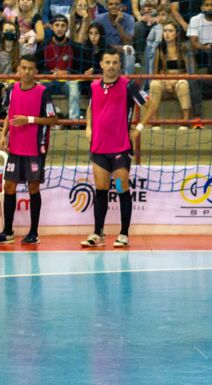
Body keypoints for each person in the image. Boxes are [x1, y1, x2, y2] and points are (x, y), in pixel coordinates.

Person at [81, 49, 153, 249]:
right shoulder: (94, 86)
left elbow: (151, 106)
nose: (111, 66)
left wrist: (138, 129)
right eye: (107, 62)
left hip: (120, 148)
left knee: (122, 188)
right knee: (101, 190)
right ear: (101, 64)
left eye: (115, 62)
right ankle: (98, 233)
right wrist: (88, 126)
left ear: (119, 65)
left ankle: (123, 234)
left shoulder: (129, 86)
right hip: (99, 148)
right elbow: (90, 107)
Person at [0, 55, 57, 245]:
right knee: (8, 186)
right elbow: (9, 113)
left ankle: (34, 233)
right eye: (24, 68)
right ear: (18, 69)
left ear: (35, 71)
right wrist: (3, 134)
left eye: (31, 68)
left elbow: (53, 120)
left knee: (33, 187)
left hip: (35, 149)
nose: (27, 72)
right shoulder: (12, 90)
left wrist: (28, 119)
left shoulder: (43, 92)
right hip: (15, 148)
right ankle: (8, 231)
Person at [148, 21, 191, 129]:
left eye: (170, 31)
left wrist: (175, 80)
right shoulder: (159, 48)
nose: (167, 33)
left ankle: (185, 120)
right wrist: (166, 81)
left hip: (179, 83)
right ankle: (155, 120)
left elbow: (190, 72)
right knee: (154, 84)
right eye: (165, 31)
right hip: (165, 83)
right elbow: (155, 73)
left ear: (176, 34)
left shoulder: (184, 48)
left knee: (183, 84)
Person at [37, 15, 79, 120]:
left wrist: (67, 73)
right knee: (37, 87)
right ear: (51, 27)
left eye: (63, 25)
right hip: (48, 81)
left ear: (67, 28)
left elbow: (78, 68)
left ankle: (74, 121)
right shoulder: (43, 45)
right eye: (57, 25)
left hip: (66, 81)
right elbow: (38, 68)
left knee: (74, 88)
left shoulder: (74, 46)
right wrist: (51, 74)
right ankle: (47, 116)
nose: (60, 28)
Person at [94, 0, 136, 74]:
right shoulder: (99, 19)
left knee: (130, 50)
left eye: (116, 4)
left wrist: (117, 24)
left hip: (122, 51)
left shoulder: (129, 19)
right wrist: (114, 47)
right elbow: (96, 39)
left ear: (121, 6)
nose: (113, 6)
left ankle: (128, 80)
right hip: (104, 49)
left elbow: (128, 41)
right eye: (111, 4)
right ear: (106, 6)